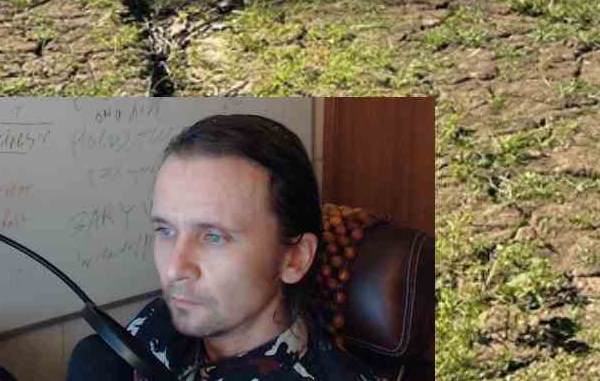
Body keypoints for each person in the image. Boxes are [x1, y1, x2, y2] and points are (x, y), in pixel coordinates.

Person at [66, 115, 384, 381]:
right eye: (165, 230)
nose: (175, 268)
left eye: (214, 236)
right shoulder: (164, 318)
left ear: (294, 259)